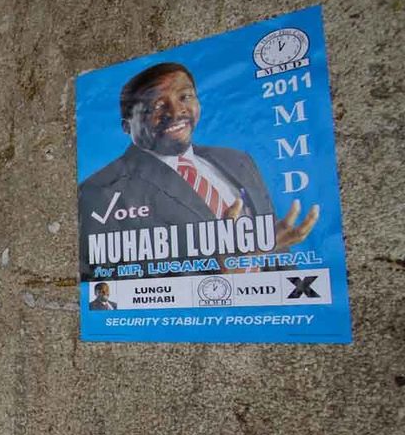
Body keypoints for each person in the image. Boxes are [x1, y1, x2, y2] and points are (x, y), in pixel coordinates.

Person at [78, 61, 319, 279]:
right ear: (126, 127)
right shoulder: (102, 191)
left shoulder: (238, 161)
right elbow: (101, 281)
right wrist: (223, 266)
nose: (175, 111)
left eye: (185, 97)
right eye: (156, 106)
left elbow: (275, 249)